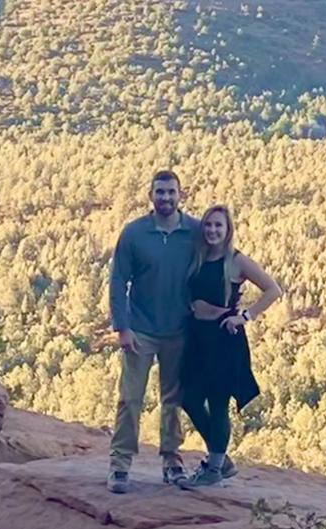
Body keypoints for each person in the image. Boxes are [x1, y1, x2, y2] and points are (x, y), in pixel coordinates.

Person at [107, 170, 201, 493]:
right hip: (141, 330)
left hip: (180, 330)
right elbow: (119, 280)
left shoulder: (196, 231)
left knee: (173, 399)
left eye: (171, 192)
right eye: (160, 192)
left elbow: (218, 263)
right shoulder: (134, 234)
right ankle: (120, 465)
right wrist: (122, 327)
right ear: (150, 195)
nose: (166, 197)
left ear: (181, 194)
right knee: (130, 398)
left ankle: (171, 461)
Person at [178, 204, 283, 487]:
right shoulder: (197, 257)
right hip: (196, 336)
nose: (213, 230)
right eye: (209, 225)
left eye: (218, 226)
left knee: (218, 402)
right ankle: (221, 460)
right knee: (188, 398)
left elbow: (273, 290)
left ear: (228, 230)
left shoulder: (236, 261)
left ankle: (213, 469)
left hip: (224, 337)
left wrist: (245, 316)